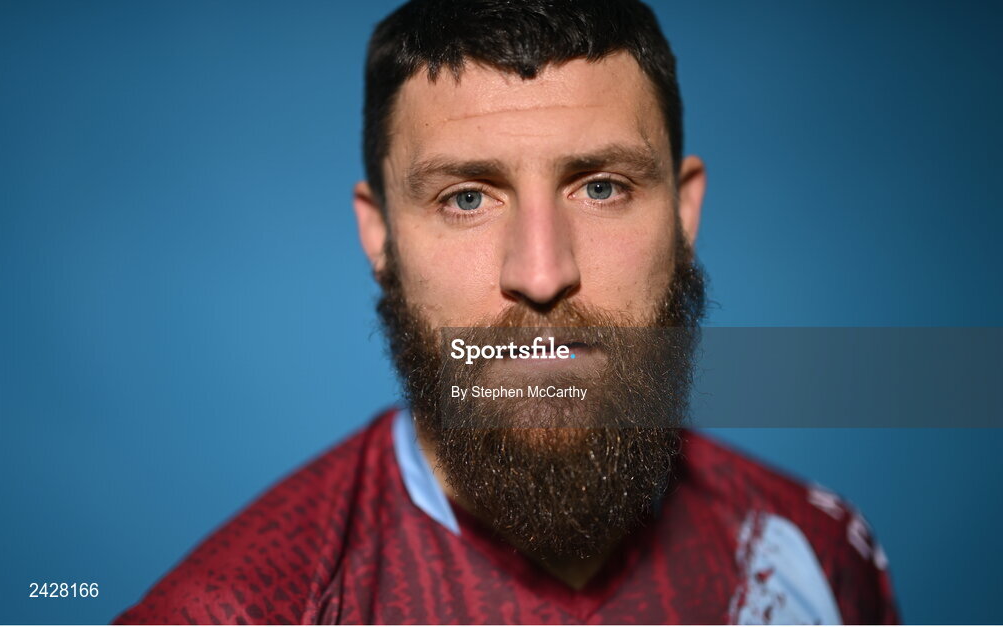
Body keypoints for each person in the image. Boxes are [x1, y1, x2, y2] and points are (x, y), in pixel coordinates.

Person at [115, 0, 898, 623]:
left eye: (601, 187)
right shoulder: (231, 613)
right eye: (466, 198)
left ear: (683, 213)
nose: (542, 272)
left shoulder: (815, 555)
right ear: (379, 234)